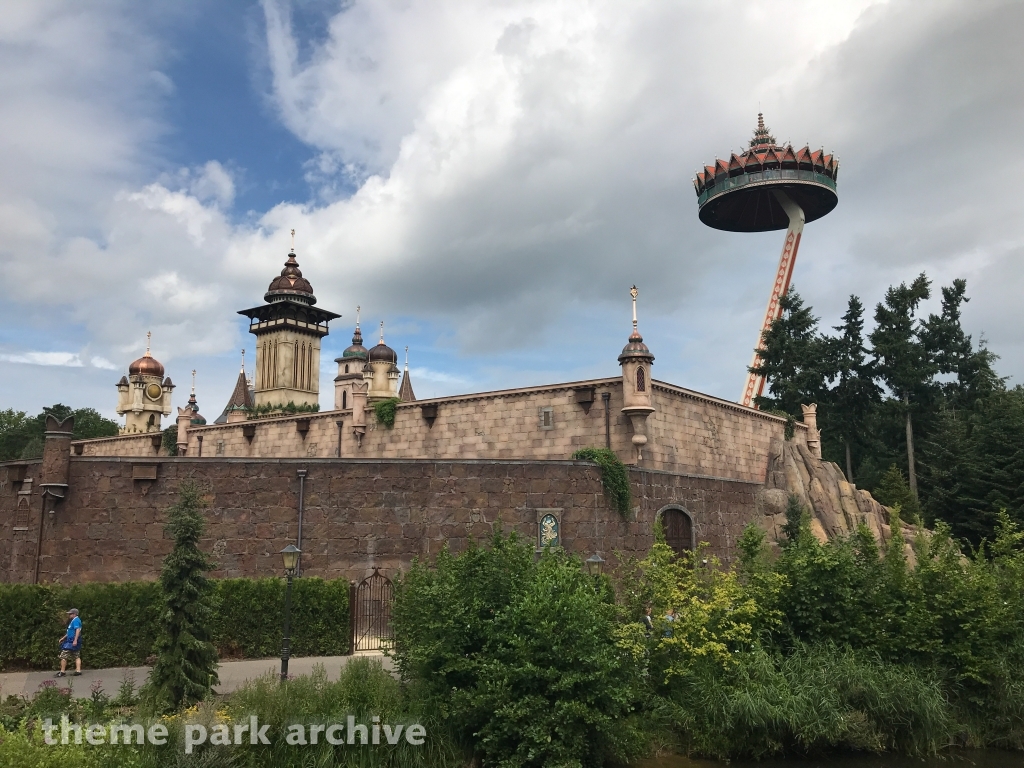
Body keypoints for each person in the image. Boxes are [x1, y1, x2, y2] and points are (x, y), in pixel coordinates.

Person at [56, 608, 82, 677]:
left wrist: (75, 640)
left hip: (71, 641)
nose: (69, 615)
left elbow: (77, 630)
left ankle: (62, 671)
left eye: (70, 614)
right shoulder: (74, 621)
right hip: (71, 640)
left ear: (74, 614)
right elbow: (70, 632)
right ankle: (78, 670)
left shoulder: (76, 621)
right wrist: (63, 638)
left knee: (63, 656)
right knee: (76, 655)